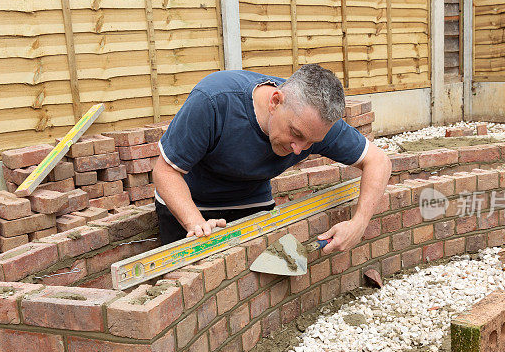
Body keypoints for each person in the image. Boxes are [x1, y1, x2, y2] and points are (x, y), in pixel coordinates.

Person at [152, 64, 392, 253]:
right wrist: (195, 224)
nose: (300, 149)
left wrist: (359, 224)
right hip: (191, 203)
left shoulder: (313, 124)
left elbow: (379, 161)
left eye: (312, 142)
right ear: (275, 102)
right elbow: (165, 171)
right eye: (296, 134)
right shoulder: (215, 100)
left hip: (251, 201)